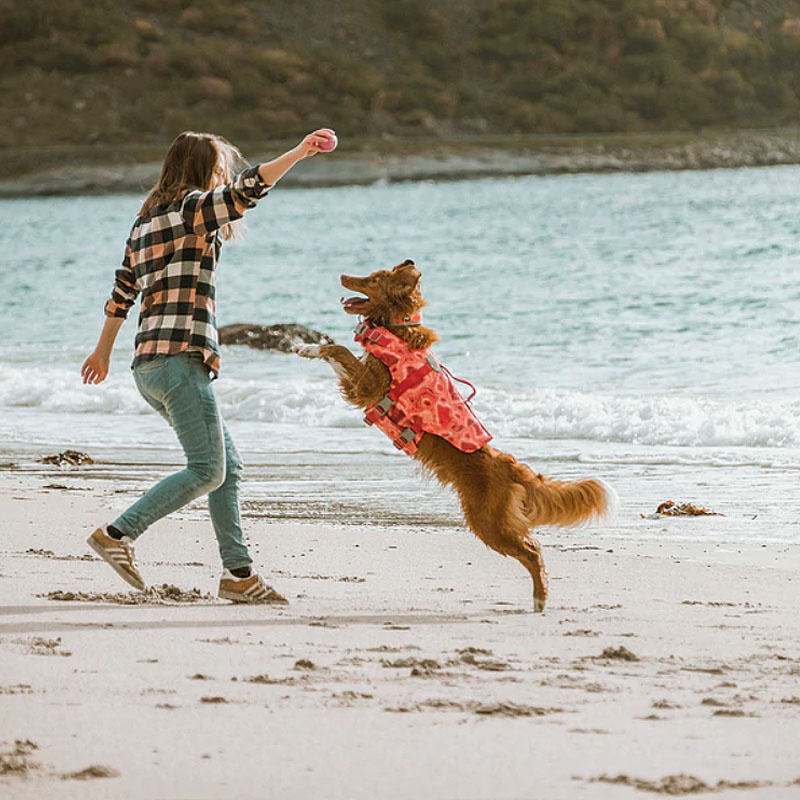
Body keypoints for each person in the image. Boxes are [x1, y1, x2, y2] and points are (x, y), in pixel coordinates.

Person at [81, 128, 335, 603]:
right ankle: (117, 535)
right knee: (207, 470)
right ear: (204, 170)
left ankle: (238, 576)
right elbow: (250, 188)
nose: (225, 174)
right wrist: (301, 151)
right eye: (219, 166)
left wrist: (101, 353)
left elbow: (121, 295)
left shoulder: (144, 222)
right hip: (179, 362)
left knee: (227, 468)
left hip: (147, 367)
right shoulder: (193, 209)